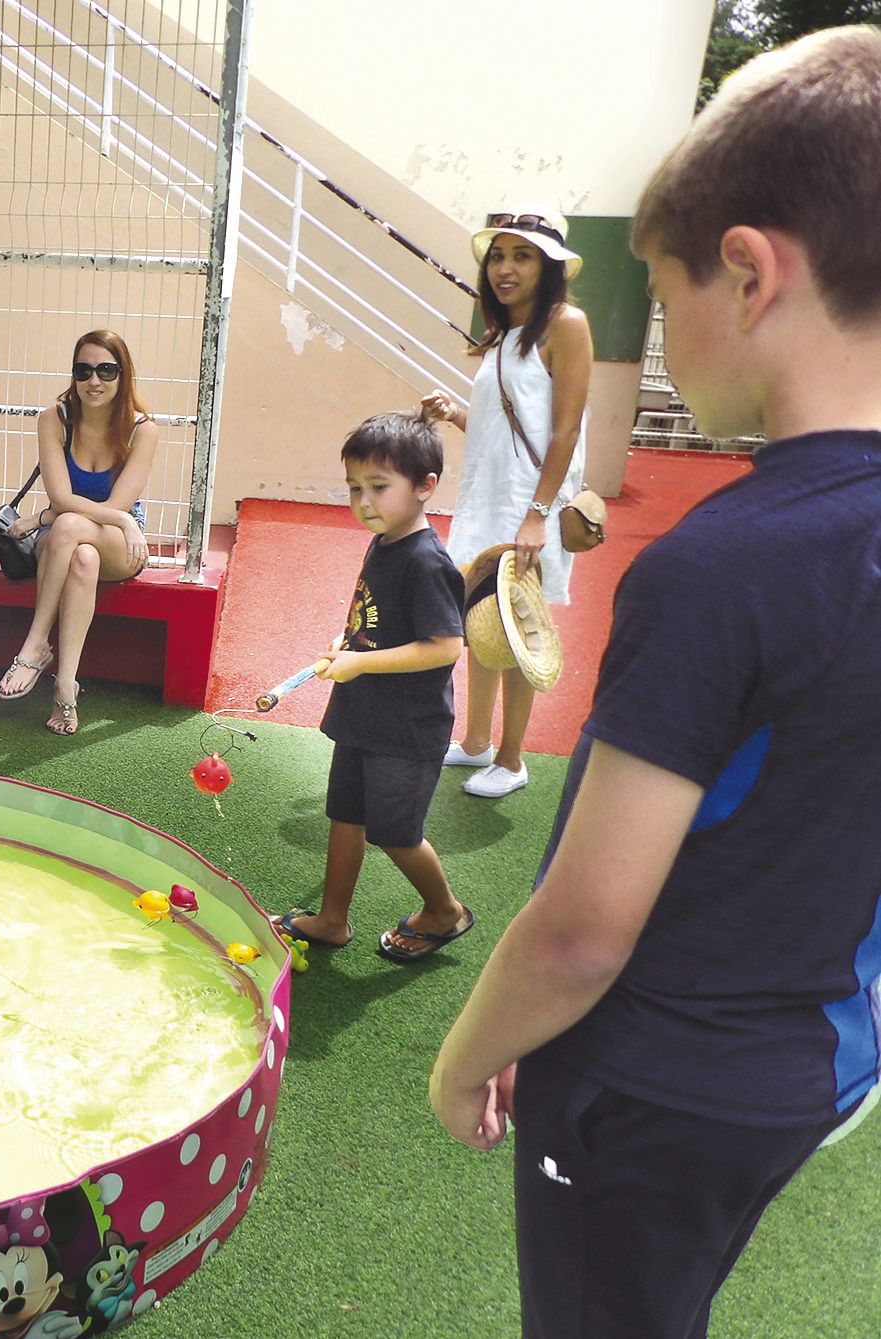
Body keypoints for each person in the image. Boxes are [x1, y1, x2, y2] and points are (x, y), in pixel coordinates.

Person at [429, 28, 881, 1339]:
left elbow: (579, 931)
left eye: (662, 296)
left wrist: (466, 1056)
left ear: (746, 271)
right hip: (815, 1065)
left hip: (649, 1083)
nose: (664, 340)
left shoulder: (721, 562)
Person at [272, 411, 472, 962]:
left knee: (396, 833)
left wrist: (361, 663)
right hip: (364, 714)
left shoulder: (429, 562)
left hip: (407, 728)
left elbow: (445, 647)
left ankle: (444, 910)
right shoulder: (384, 542)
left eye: (379, 487)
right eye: (355, 488)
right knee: (346, 815)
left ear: (426, 487)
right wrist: (347, 640)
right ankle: (332, 920)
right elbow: (374, 617)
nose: (363, 501)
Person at [421, 206, 593, 799]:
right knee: (481, 621)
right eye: (498, 255)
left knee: (519, 630)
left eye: (522, 255)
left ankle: (513, 759)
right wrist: (455, 414)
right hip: (486, 503)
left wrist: (538, 514)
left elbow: (566, 431)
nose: (505, 267)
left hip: (529, 507)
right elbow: (503, 429)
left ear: (549, 266)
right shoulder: (504, 336)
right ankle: (474, 743)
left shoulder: (566, 324)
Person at [0, 330, 158, 736]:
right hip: (71, 544)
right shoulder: (55, 420)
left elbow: (117, 508)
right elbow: (60, 494)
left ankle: (35, 645)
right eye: (83, 371)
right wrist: (57, 513)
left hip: (119, 541)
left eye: (106, 370)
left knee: (68, 525)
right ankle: (66, 687)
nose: (94, 381)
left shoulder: (143, 430)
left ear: (123, 375)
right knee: (81, 555)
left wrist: (49, 517)